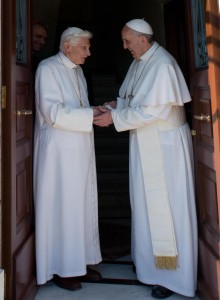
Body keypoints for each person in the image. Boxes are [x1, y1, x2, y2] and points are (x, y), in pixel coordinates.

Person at [94, 19, 198, 299]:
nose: (124, 46)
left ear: (143, 39)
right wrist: (115, 105)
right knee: (143, 205)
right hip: (145, 142)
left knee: (167, 207)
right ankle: (150, 267)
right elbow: (135, 101)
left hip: (165, 147)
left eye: (128, 41)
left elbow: (152, 112)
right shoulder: (141, 62)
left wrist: (113, 118)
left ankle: (174, 277)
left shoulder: (162, 65)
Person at [34, 27, 103, 291]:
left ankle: (81, 263)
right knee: (64, 209)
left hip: (80, 148)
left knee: (82, 207)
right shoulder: (48, 68)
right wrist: (91, 116)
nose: (88, 52)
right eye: (84, 47)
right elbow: (52, 112)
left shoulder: (78, 71)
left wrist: (93, 111)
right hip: (59, 154)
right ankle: (62, 268)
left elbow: (79, 108)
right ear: (67, 47)